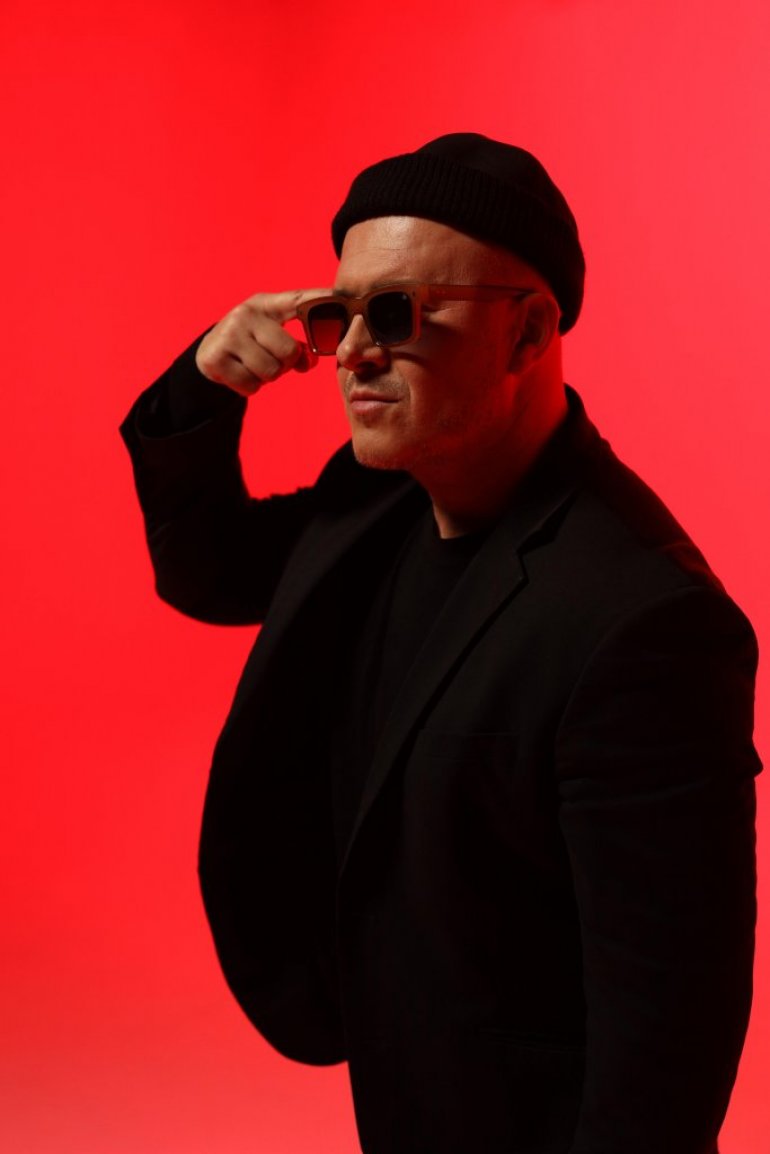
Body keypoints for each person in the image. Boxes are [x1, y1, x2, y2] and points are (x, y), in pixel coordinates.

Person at [120, 134, 761, 1154]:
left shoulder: (645, 621)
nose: (351, 353)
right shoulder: (375, 501)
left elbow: (666, 1045)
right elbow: (210, 574)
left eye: (396, 313)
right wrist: (205, 385)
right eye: (337, 314)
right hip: (399, 1086)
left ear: (528, 331)